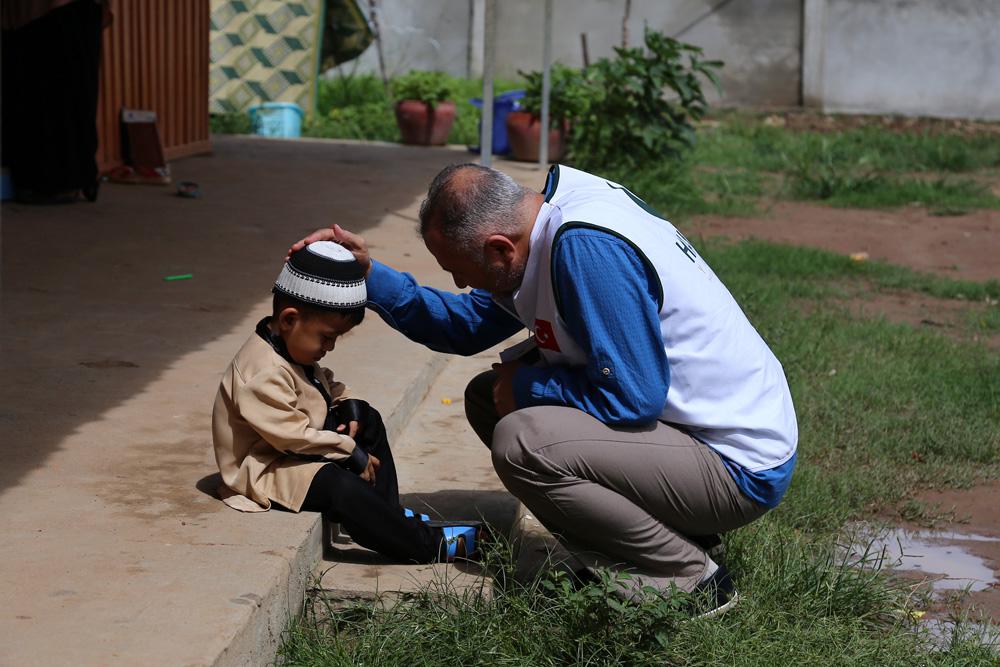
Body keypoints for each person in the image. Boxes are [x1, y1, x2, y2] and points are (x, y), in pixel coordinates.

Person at [294, 163, 798, 615]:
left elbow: (635, 396)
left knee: (523, 441)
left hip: (735, 468)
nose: (463, 284)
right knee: (489, 398)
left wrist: (531, 384)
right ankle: (674, 540)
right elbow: (463, 327)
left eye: (461, 272)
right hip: (691, 440)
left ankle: (687, 578)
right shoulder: (539, 229)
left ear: (498, 249)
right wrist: (368, 276)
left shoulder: (585, 251)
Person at [212, 241, 480, 563]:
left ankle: (387, 517)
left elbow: (317, 382)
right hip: (265, 468)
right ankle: (425, 544)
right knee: (336, 485)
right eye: (326, 337)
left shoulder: (290, 345)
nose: (331, 346)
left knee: (369, 419)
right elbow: (291, 439)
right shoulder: (261, 372)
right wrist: (349, 451)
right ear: (289, 319)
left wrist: (348, 403)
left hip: (297, 450)